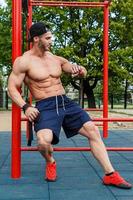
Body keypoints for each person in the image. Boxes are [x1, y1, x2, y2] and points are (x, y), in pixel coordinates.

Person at [8, 22, 132, 189]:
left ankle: (110, 175)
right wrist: (26, 107)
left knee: (93, 131)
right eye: (48, 38)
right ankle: (50, 161)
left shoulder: (55, 58)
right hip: (45, 105)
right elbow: (11, 88)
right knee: (43, 142)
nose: (52, 40)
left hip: (65, 102)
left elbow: (76, 69)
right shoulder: (23, 61)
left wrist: (80, 70)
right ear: (36, 39)